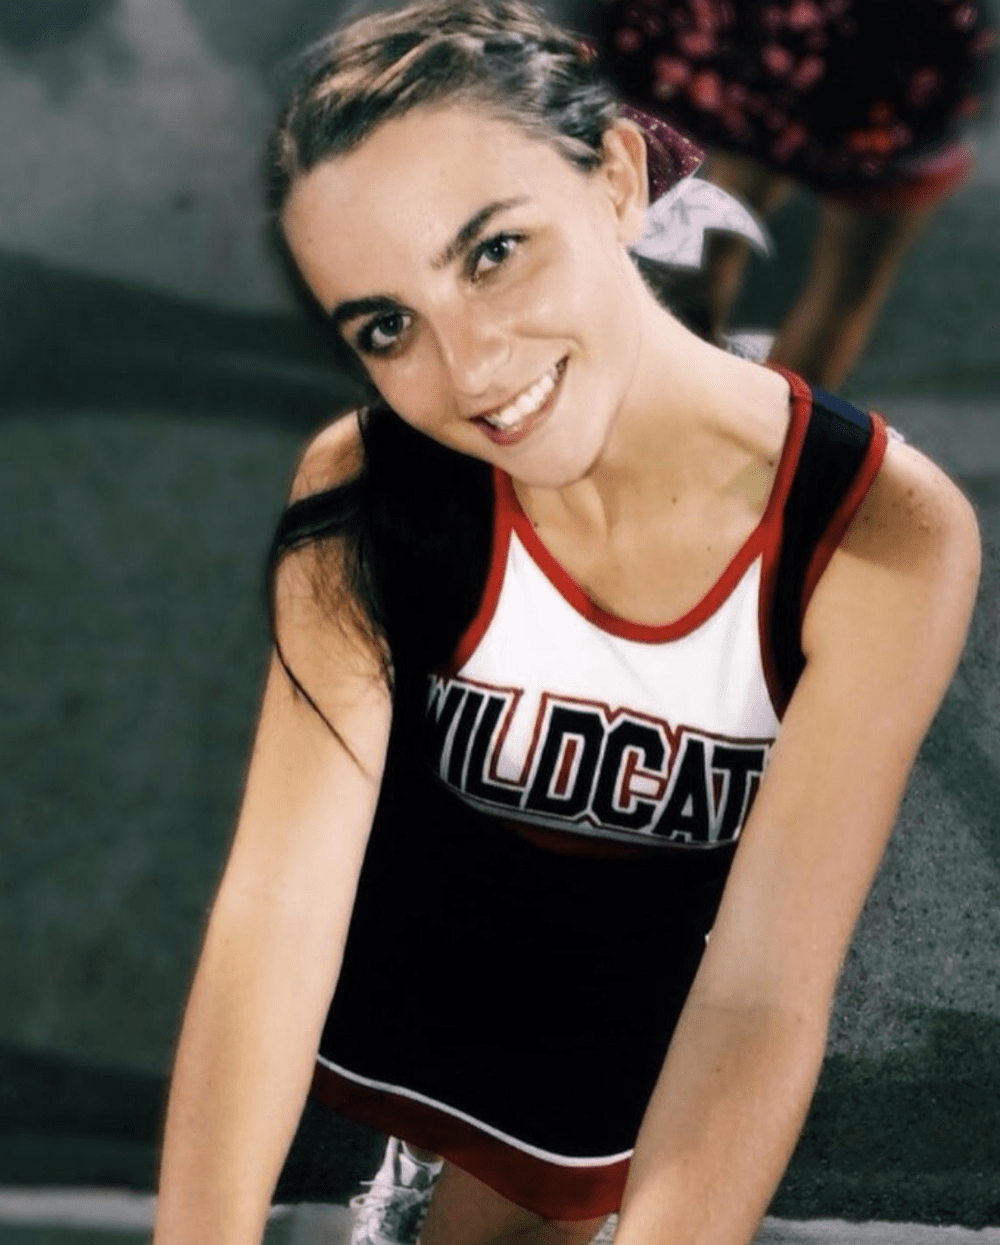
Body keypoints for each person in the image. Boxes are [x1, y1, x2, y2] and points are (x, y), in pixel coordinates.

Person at [151, 3, 980, 1245]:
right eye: (387, 326)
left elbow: (760, 993)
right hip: (414, 1062)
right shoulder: (368, 483)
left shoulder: (875, 529)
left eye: (493, 253)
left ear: (616, 178)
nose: (473, 366)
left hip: (641, 1099)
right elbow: (278, 909)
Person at [577, 0, 997, 387]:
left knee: (752, 134)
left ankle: (670, 380)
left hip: (763, 34)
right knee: (845, 288)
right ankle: (768, 450)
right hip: (889, 54)